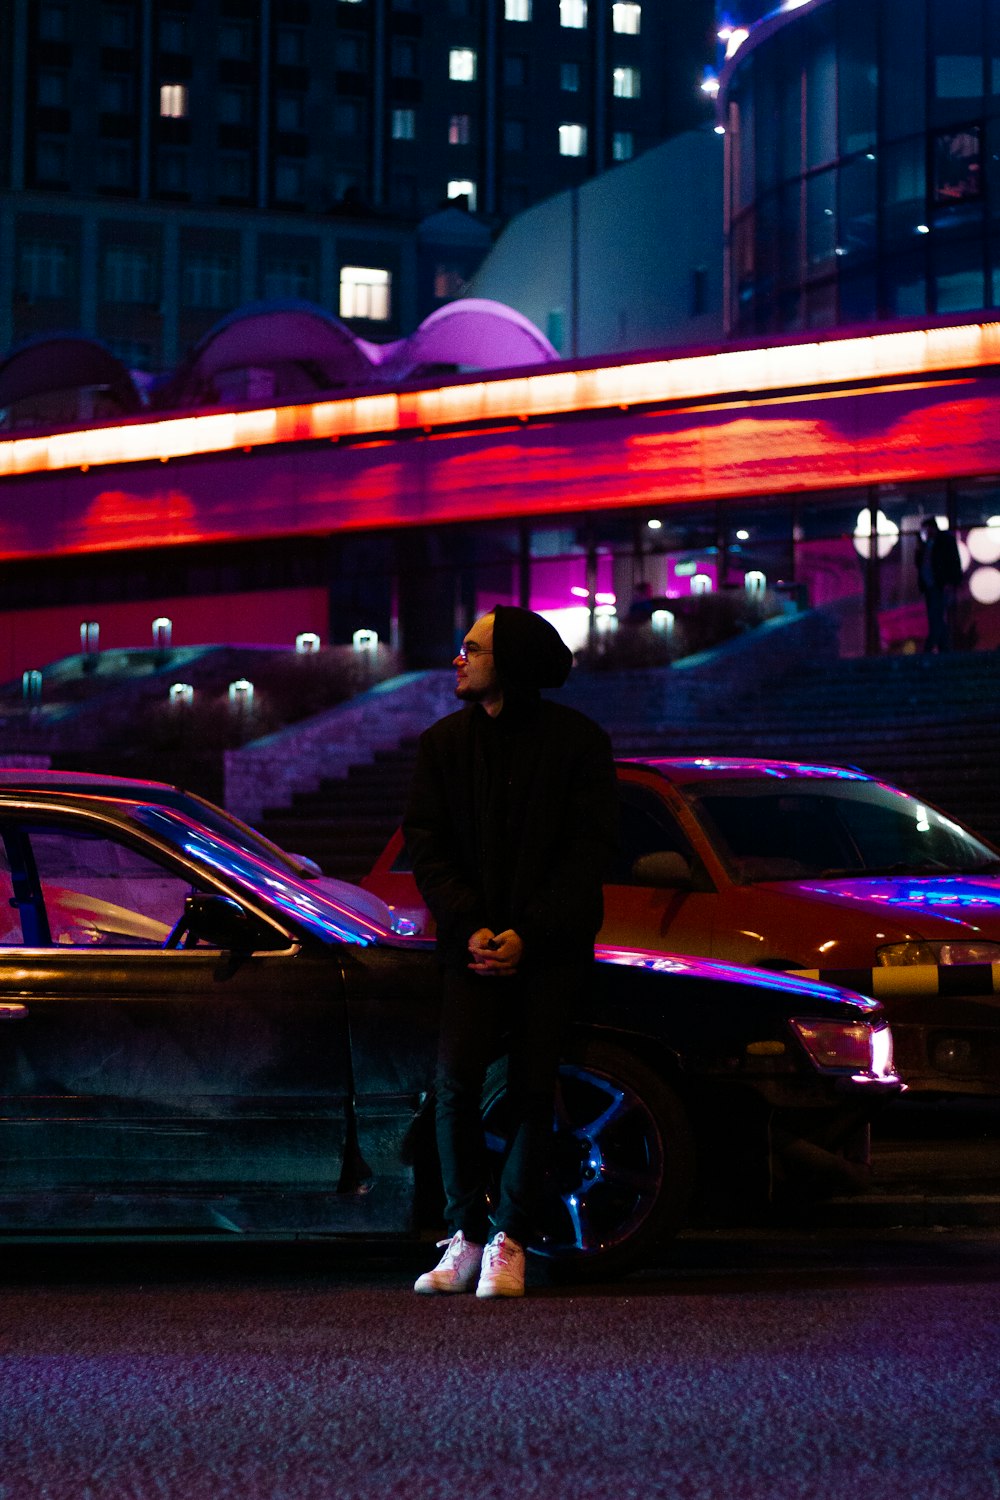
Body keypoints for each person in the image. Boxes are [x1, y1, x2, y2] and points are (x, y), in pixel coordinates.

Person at [405, 605, 618, 1299]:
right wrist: (469, 925)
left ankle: (512, 1238)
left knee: (531, 1085)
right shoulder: (442, 745)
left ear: (512, 662)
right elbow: (427, 847)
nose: (458, 660)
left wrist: (530, 931)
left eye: (471, 648)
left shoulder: (579, 744)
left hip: (547, 952)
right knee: (456, 1086)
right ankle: (465, 1234)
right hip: (470, 950)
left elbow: (587, 855)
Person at [915, 517, 963, 653]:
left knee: (936, 616)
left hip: (939, 585)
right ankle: (943, 647)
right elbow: (920, 563)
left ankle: (930, 647)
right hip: (930, 586)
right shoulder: (927, 544)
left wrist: (950, 581)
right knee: (935, 616)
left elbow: (952, 562)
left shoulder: (944, 541)